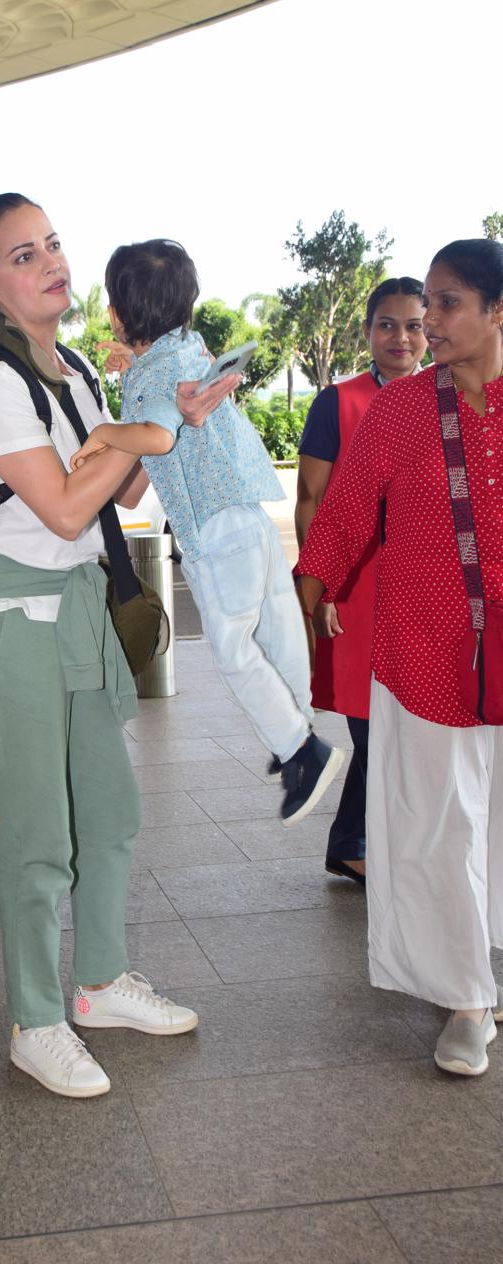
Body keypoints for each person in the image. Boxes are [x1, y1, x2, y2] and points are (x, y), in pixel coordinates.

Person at [0, 194, 235, 1098]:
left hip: (78, 612)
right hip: (8, 623)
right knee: (37, 836)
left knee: (110, 813)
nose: (49, 262)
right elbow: (57, 505)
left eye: (51, 244)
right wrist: (138, 433)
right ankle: (35, 1019)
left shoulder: (79, 369)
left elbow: (118, 494)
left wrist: (166, 425)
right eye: (21, 255)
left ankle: (96, 985)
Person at [296, 238, 503, 1077]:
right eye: (427, 302)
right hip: (421, 641)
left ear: (496, 311)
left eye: (448, 303)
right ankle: (464, 999)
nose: (430, 321)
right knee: (435, 824)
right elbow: (342, 515)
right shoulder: (400, 410)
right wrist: (305, 593)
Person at [71, 239, 344, 826]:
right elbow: (142, 469)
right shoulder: (189, 349)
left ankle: (302, 750)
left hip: (214, 532)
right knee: (273, 626)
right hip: (250, 517)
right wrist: (130, 366)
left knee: (235, 648)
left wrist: (104, 434)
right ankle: (295, 723)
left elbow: (158, 437)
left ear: (117, 314)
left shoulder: (154, 380)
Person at [295, 278, 427, 884]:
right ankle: (356, 844)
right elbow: (311, 499)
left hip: (431, 590)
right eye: (387, 324)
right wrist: (321, 587)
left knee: (417, 728)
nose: (401, 338)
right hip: (359, 586)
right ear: (367, 330)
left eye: (414, 325)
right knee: (374, 726)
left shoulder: (449, 396)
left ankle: (356, 841)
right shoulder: (338, 402)